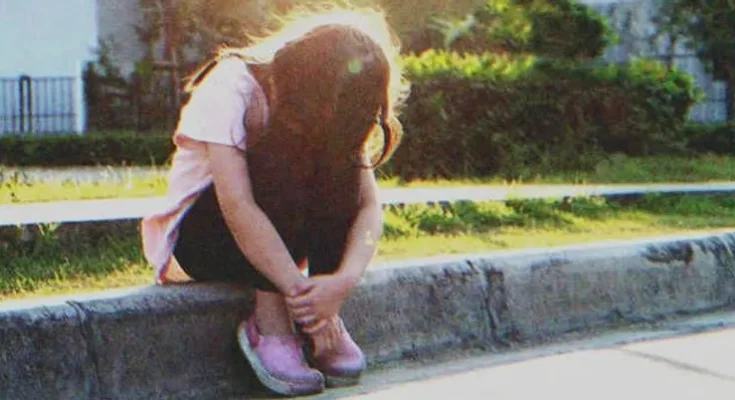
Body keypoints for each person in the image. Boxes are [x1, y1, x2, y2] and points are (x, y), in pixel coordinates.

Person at [140, 5, 409, 397]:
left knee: (340, 164)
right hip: (201, 240)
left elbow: (367, 207)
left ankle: (317, 315)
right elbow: (238, 206)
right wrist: (296, 294)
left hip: (276, 243)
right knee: (282, 152)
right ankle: (273, 324)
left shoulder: (334, 106)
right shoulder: (232, 84)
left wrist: (340, 284)